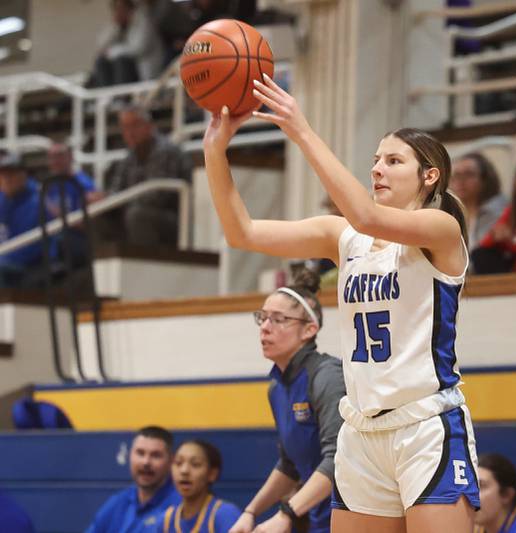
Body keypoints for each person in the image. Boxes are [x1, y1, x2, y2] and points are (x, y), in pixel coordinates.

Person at [203, 74, 479, 533]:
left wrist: (301, 131)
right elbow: (242, 233)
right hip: (361, 432)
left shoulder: (442, 229)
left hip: (424, 427)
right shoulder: (344, 237)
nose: (377, 169)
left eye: (393, 161)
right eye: (375, 160)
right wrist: (215, 151)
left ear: (429, 176)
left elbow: (366, 214)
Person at [228, 270, 345, 533]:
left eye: (278, 319)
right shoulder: (276, 389)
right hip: (318, 519)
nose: (265, 327)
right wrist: (250, 512)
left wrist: (286, 514)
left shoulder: (327, 376)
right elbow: (290, 465)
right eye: (263, 317)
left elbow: (340, 457)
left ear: (309, 330)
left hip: (353, 519)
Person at [102, 104, 192, 247]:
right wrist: (105, 199)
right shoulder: (129, 157)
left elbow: (157, 197)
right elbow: (116, 190)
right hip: (138, 212)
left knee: (137, 215)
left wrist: (119, 200)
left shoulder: (166, 150)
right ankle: (100, 269)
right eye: (124, 128)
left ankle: (145, 265)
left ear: (149, 126)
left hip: (176, 220)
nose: (129, 132)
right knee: (99, 217)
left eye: (134, 125)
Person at [86, 426, 180, 533]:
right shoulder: (119, 502)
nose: (146, 462)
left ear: (171, 461)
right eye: (140, 453)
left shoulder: (180, 507)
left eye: (155, 455)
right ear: (130, 455)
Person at [152, 440, 239, 533]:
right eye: (178, 463)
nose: (184, 471)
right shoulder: (166, 521)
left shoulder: (225, 514)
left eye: (195, 464)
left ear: (212, 474)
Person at [0, 152, 49, 288]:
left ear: (23, 175)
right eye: (3, 175)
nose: (6, 179)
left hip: (30, 265)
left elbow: (30, 249)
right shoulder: (2, 199)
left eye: (11, 174)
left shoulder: (37, 202)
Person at [89, 0, 165, 87]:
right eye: (116, 9)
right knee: (100, 61)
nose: (118, 12)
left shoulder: (143, 21)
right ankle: (106, 95)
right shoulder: (117, 27)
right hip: (122, 73)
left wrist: (112, 52)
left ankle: (121, 98)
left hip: (144, 72)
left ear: (129, 8)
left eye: (121, 8)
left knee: (121, 61)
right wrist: (115, 26)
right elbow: (101, 46)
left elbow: (138, 49)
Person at [450, 153, 507, 253]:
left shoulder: (498, 210)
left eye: (469, 174)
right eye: (457, 175)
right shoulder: (451, 212)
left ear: (485, 179)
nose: (461, 181)